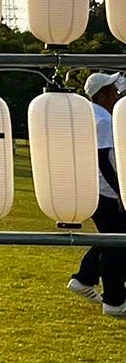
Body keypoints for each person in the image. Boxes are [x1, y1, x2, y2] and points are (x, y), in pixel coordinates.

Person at [68, 71, 126, 318]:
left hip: (94, 188)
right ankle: (113, 300)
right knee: (115, 244)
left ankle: (84, 278)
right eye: (112, 91)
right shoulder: (103, 119)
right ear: (101, 95)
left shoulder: (90, 115)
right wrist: (121, 192)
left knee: (111, 238)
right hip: (105, 190)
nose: (117, 94)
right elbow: (104, 160)